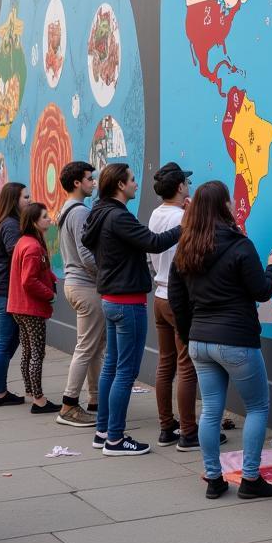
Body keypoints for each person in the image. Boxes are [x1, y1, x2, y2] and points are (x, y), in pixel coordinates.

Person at [168, 180, 272, 496]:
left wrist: (189, 334)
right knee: (258, 407)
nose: (233, 205)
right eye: (229, 201)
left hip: (199, 341)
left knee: (212, 410)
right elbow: (261, 290)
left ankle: (214, 479)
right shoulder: (239, 245)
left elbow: (178, 299)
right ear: (223, 207)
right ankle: (250, 479)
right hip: (236, 340)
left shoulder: (186, 247)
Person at [82, 163, 180, 456]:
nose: (137, 184)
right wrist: (185, 225)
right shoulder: (118, 216)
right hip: (128, 302)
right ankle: (115, 438)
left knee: (112, 366)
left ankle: (103, 432)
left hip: (112, 299)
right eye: (133, 180)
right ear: (120, 186)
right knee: (126, 371)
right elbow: (154, 242)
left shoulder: (100, 212)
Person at [148, 162, 199, 448]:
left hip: (160, 295)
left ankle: (167, 426)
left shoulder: (156, 214)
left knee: (165, 362)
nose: (189, 187)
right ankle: (189, 431)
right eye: (186, 184)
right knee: (186, 365)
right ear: (180, 188)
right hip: (180, 298)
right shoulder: (182, 218)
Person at [56, 161, 102, 428]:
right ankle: (69, 405)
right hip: (86, 285)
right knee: (86, 348)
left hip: (75, 284)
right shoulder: (80, 212)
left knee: (93, 347)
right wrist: (104, 277)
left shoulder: (67, 210)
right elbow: (87, 255)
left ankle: (95, 399)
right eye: (89, 178)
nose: (93, 182)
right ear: (77, 183)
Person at [7, 202, 59, 414]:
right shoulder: (33, 246)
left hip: (20, 307)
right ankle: (39, 399)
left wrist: (51, 278)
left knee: (28, 351)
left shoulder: (27, 242)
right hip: (30, 308)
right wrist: (50, 294)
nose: (49, 219)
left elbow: (40, 271)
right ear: (35, 222)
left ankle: (31, 391)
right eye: (45, 216)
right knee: (37, 353)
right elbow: (29, 280)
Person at [0, 182, 30, 406]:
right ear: (14, 200)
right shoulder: (10, 224)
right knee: (4, 342)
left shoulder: (2, 220)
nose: (29, 201)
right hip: (3, 290)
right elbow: (18, 255)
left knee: (9, 341)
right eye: (25, 197)